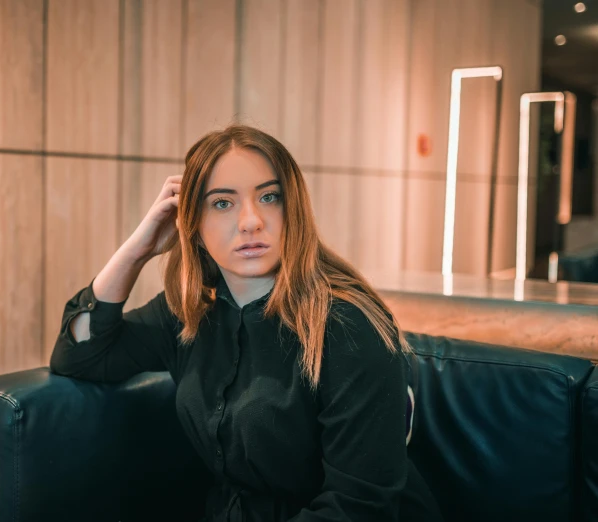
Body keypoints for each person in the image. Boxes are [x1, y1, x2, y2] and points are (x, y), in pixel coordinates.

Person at [50, 124, 444, 521]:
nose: (251, 221)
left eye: (269, 197)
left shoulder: (348, 326)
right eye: (222, 203)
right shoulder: (189, 313)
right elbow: (79, 355)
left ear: (294, 212)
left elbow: (358, 508)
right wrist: (139, 248)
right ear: (194, 227)